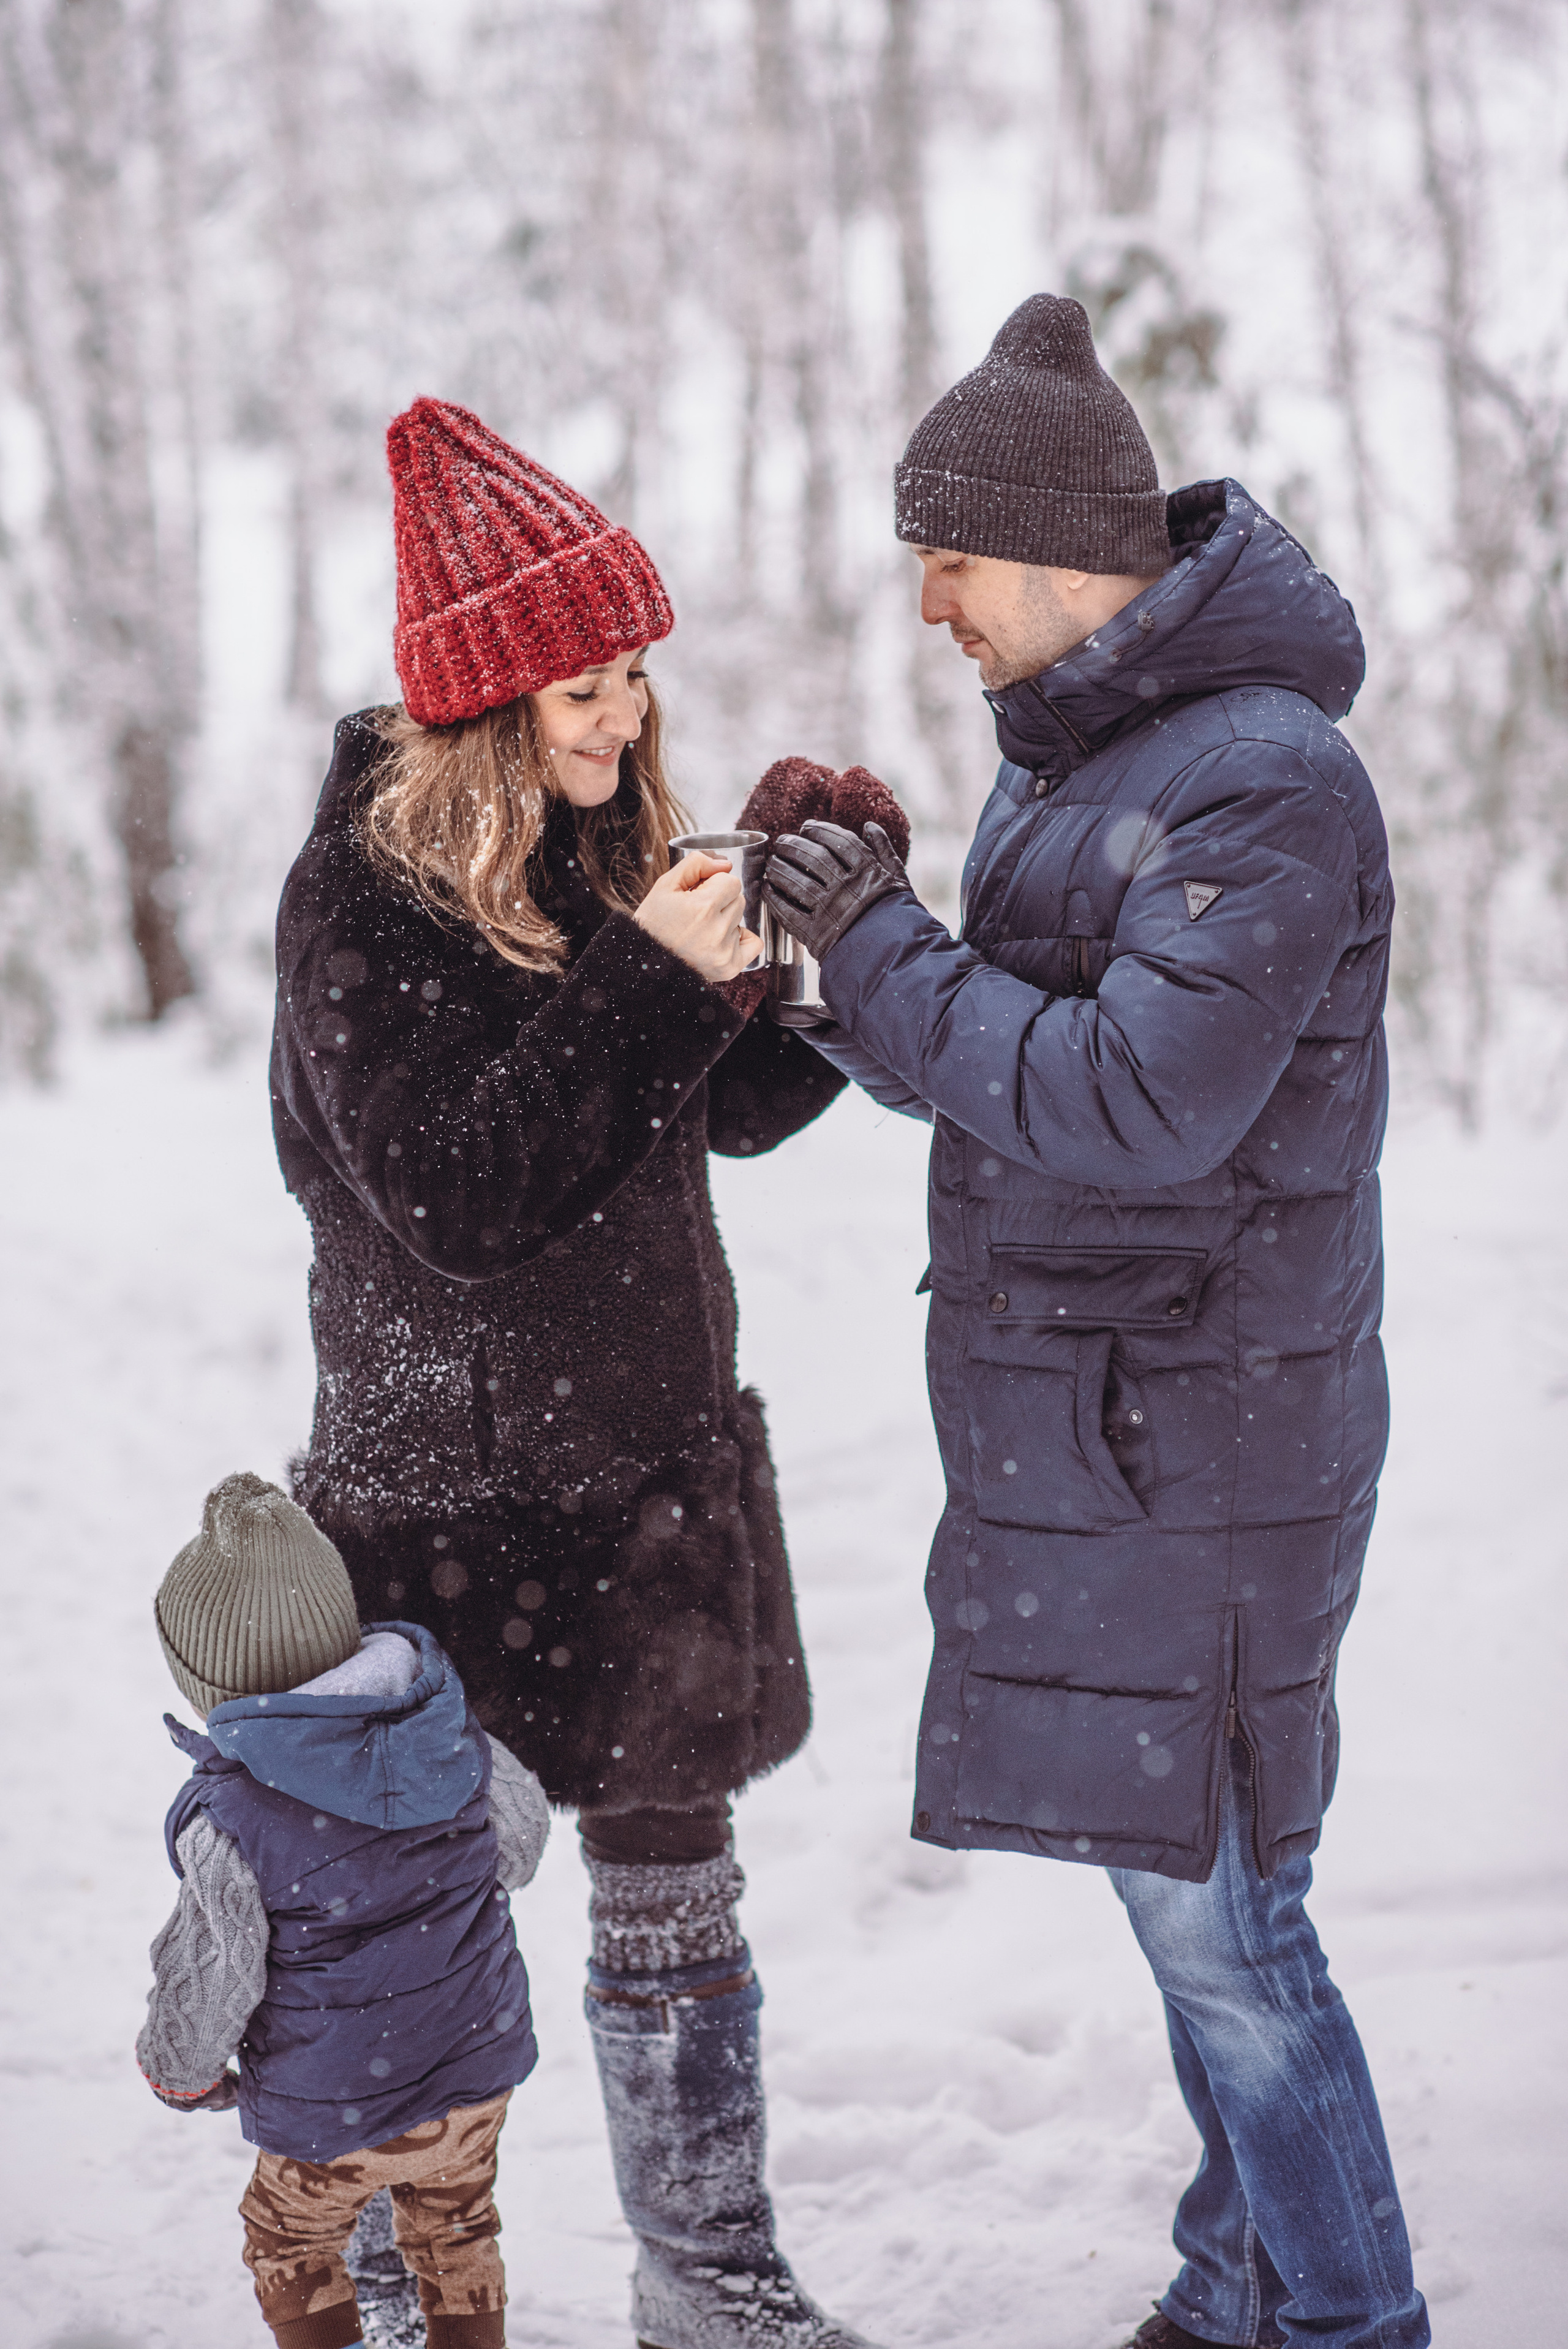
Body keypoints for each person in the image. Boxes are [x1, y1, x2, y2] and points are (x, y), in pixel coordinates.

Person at [763, 295, 1429, 2349]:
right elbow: (1017, 1061)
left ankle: (1345, 2319)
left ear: (1061, 549)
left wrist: (884, 948)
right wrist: (839, 945)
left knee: (1231, 1924)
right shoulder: (1098, 770)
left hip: (1207, 1444)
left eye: (949, 559)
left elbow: (1139, 1100)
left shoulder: (1261, 779)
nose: (937, 605)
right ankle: (1235, 2295)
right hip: (1139, 1433)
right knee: (1195, 1894)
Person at [269, 396, 878, 2349]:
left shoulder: (611, 840)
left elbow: (748, 1105)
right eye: (589, 688)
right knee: (398, 1942)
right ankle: (376, 2294)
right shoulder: (356, 904)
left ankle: (712, 2283)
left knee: (679, 1910)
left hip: (646, 1479)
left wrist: (803, 910)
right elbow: (457, 1195)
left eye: (638, 678)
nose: (626, 722)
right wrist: (652, 974)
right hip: (431, 1505)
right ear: (485, 702)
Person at [137, 1472, 550, 2349]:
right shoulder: (448, 1730)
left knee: (289, 2237)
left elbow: (212, 1971)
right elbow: (520, 1843)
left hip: (337, 2113)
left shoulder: (233, 1821)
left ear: (212, 1688)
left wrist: (181, 2070)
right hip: (477, 2075)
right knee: (458, 2221)